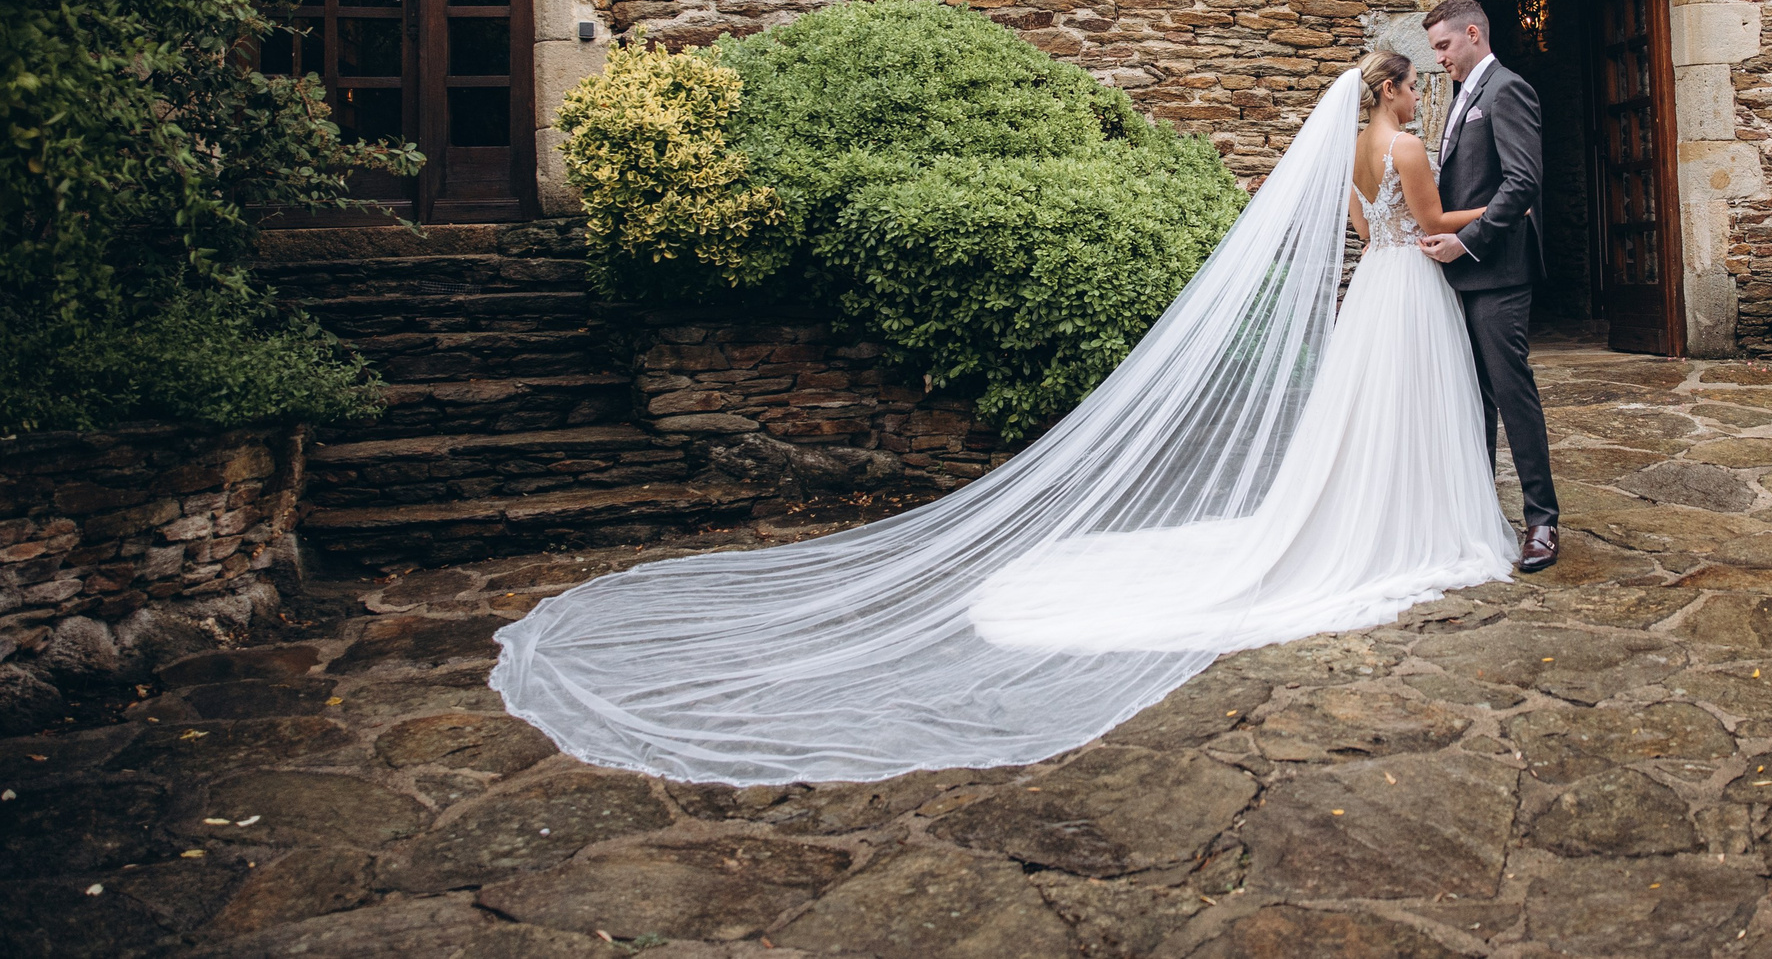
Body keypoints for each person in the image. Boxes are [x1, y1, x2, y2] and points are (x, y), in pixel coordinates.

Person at [489, 56, 1516, 786]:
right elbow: (1426, 226)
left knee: (1360, 422)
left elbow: (1364, 227)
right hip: (1409, 291)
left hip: (1368, 294)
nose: (1415, 91)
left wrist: (1412, 230)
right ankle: (1414, 523)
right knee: (1414, 411)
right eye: (1407, 82)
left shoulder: (1348, 155)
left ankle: (1371, 516)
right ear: (1392, 90)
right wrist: (1502, 208)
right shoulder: (1410, 146)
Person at [1417, 0, 1561, 572]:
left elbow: (1523, 182)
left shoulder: (1507, 89)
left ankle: (1542, 521)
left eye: (1444, 46)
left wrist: (1467, 240)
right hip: (1463, 272)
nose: (1440, 59)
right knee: (1471, 397)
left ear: (1473, 33)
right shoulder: (1464, 96)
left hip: (1498, 270)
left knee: (1510, 391)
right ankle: (1479, 513)